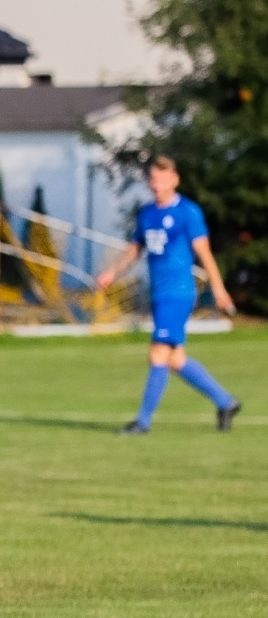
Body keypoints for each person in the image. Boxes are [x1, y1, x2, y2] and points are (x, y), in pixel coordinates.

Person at [96, 156, 242, 433]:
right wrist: (113, 272)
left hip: (179, 294)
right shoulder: (147, 214)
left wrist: (218, 287)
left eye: (163, 179)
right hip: (159, 295)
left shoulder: (188, 212)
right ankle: (226, 402)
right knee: (175, 359)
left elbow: (204, 253)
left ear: (175, 180)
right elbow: (135, 250)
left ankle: (143, 422)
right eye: (153, 179)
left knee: (157, 353)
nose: (157, 185)